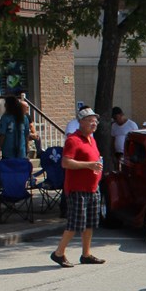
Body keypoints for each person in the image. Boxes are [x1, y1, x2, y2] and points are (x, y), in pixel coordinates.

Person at [50, 107, 105, 267]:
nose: (94, 123)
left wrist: (95, 168)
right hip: (78, 189)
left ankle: (86, 254)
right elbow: (66, 162)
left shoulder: (91, 139)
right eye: (90, 120)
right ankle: (58, 253)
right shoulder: (73, 140)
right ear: (81, 122)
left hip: (92, 188)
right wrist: (89, 165)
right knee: (75, 224)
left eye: (95, 120)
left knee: (90, 223)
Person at [0, 95, 32, 160]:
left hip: (8, 150)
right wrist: (27, 146)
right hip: (21, 150)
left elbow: (2, 134)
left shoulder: (5, 118)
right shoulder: (24, 118)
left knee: (10, 165)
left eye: (6, 103)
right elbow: (26, 134)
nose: (4, 105)